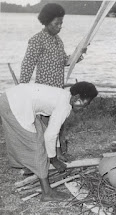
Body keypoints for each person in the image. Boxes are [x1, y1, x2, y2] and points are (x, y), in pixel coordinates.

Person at [0, 82, 98, 201]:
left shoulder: (64, 96)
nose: (85, 108)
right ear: (76, 97)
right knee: (37, 147)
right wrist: (54, 160)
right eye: (85, 104)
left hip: (12, 98)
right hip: (14, 105)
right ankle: (47, 193)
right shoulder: (65, 106)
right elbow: (51, 135)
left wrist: (58, 152)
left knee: (40, 133)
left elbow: (51, 130)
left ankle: (31, 167)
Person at [19, 3, 86, 163]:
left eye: (61, 23)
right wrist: (22, 90)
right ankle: (44, 158)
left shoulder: (57, 40)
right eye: (56, 23)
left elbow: (65, 61)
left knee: (58, 124)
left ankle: (57, 154)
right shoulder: (37, 40)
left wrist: (79, 54)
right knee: (44, 128)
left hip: (58, 90)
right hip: (43, 92)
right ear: (46, 22)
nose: (60, 27)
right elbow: (27, 65)